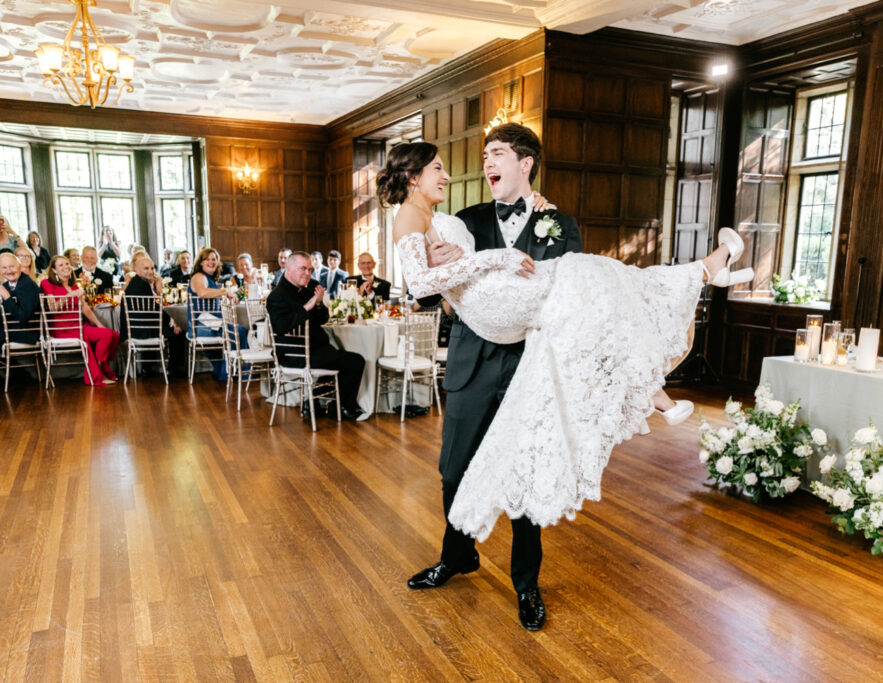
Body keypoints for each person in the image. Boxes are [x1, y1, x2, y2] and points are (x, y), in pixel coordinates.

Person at [389, 131, 751, 630]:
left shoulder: (560, 223)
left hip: (533, 362)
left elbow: (575, 295)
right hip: (474, 363)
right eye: (484, 157)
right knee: (453, 471)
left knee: (531, 469)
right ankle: (458, 557)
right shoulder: (462, 218)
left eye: (496, 155)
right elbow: (431, 292)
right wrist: (457, 285)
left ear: (526, 164)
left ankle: (526, 583)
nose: (484, 165)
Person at [266, 251, 366, 420]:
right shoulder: (277, 296)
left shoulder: (306, 289)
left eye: (310, 269)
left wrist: (318, 304)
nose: (307, 273)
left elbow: (323, 319)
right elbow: (282, 327)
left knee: (341, 360)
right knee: (355, 361)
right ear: (288, 269)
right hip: (294, 354)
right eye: (303, 269)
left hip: (316, 349)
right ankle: (340, 407)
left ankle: (315, 400)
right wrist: (307, 306)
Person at [40, 255, 120, 385]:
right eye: (61, 265)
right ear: (54, 270)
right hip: (62, 329)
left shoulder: (74, 286)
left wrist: (99, 324)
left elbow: (86, 309)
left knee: (111, 334)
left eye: (67, 264)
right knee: (86, 340)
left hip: (78, 326)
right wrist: (69, 295)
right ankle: (96, 376)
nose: (66, 267)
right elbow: (52, 308)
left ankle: (102, 369)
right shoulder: (47, 283)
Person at [120, 255, 186, 375]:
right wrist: (173, 322)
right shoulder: (143, 285)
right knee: (180, 333)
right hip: (143, 331)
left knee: (158, 326)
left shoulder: (134, 283)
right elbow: (155, 310)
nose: (150, 271)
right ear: (136, 269)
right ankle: (174, 369)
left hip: (133, 330)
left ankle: (147, 368)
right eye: (146, 269)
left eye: (152, 268)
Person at [188, 247, 240, 381]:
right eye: (207, 260)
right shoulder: (199, 277)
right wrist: (225, 292)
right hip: (202, 324)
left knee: (237, 328)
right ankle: (231, 373)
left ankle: (224, 370)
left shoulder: (210, 278)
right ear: (201, 262)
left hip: (210, 322)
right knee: (237, 330)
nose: (211, 262)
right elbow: (202, 293)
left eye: (214, 259)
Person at [0, 251, 41, 344]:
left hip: (27, 332)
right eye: (4, 267)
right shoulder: (6, 285)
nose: (9, 271)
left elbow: (23, 316)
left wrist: (6, 296)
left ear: (20, 266)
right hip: (11, 329)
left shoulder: (27, 285)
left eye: (12, 266)